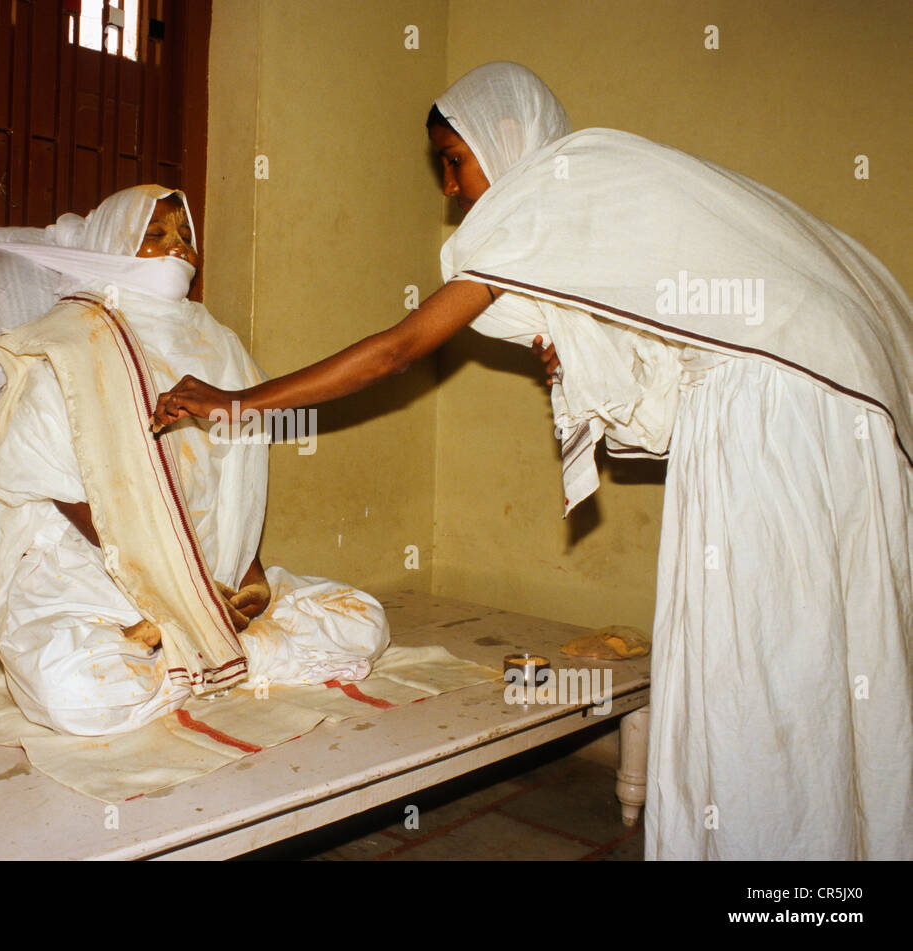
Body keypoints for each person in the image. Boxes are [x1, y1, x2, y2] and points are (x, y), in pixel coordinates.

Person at [150, 63, 913, 860]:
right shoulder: (593, 194)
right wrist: (586, 368)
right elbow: (680, 361)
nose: (451, 189)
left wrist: (231, 402)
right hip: (836, 405)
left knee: (757, 671)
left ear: (503, 140)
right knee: (825, 656)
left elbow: (397, 350)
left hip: (780, 405)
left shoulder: (546, 196)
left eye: (455, 159)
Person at [0, 185, 389, 737]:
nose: (179, 248)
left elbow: (242, 479)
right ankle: (208, 653)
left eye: (185, 237)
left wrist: (240, 577)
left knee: (364, 621)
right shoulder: (72, 338)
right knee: (73, 690)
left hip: (212, 566)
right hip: (96, 571)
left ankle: (194, 656)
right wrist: (165, 577)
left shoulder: (221, 343)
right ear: (114, 246)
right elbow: (52, 478)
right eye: (155, 236)